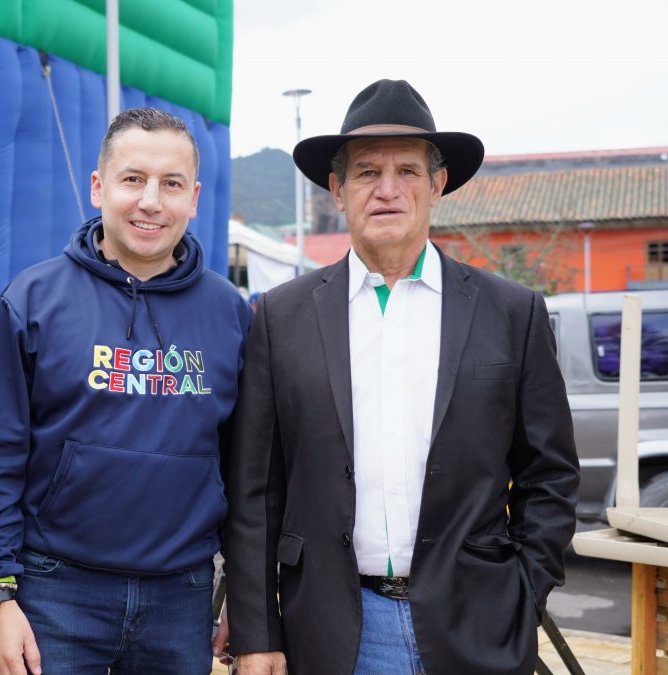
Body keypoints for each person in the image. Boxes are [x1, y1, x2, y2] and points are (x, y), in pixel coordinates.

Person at [221, 80, 580, 674]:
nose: (387, 189)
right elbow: (256, 492)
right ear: (337, 190)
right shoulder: (281, 317)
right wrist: (258, 633)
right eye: (367, 172)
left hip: (476, 627)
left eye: (408, 171)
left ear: (437, 185)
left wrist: (521, 594)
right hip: (330, 633)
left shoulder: (511, 313)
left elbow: (551, 476)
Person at [0, 107, 251, 675]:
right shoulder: (31, 301)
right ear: (99, 187)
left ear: (194, 198)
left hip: (182, 596)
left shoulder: (230, 314)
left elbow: (247, 470)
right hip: (55, 592)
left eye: (171, 184)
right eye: (133, 179)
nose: (151, 201)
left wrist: (245, 591)